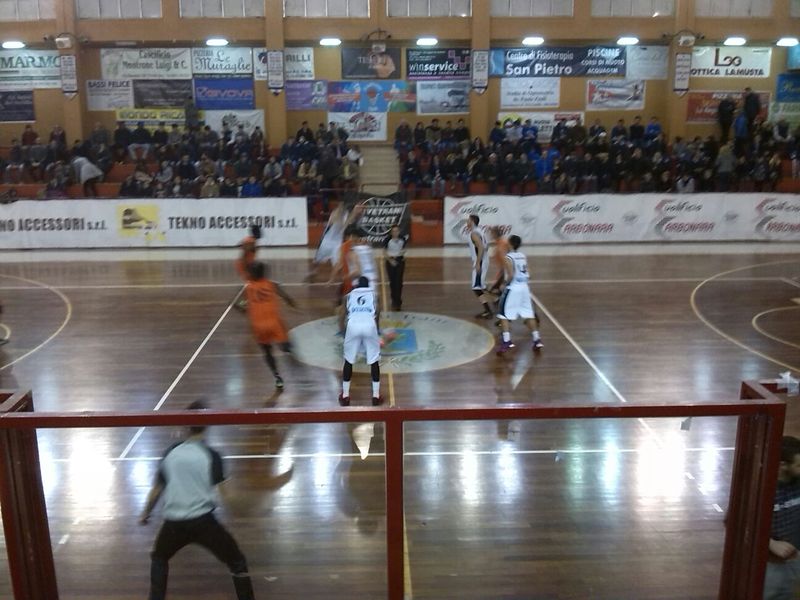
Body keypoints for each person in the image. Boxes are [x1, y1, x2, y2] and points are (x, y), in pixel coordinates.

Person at [138, 399, 256, 600]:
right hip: (204, 524)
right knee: (237, 561)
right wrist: (246, 507)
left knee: (159, 558)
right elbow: (229, 498)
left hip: (173, 524)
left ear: (186, 425)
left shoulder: (170, 453)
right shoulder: (212, 456)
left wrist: (145, 514)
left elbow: (155, 492)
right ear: (207, 425)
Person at [245, 262, 296, 390]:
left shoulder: (248, 287)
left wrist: (247, 309)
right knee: (286, 346)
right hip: (274, 324)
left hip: (258, 326)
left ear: (252, 274)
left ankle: (277, 377)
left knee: (267, 352)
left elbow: (240, 305)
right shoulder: (272, 285)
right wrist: (292, 304)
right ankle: (289, 352)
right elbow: (288, 298)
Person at [763, 435, 800, 600]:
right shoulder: (761, 488)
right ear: (783, 465)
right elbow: (736, 524)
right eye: (798, 465)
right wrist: (771, 543)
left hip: (795, 559)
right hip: (770, 565)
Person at [495, 235, 543, 354]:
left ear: (510, 244)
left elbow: (511, 274)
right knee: (528, 314)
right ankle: (537, 339)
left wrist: (506, 284)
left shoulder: (508, 257)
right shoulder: (522, 256)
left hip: (513, 288)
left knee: (503, 315)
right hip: (525, 288)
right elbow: (529, 272)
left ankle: (506, 341)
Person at [339, 276, 382, 407]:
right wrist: (376, 330)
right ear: (368, 286)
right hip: (369, 325)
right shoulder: (375, 295)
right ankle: (376, 395)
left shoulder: (348, 296)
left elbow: (342, 314)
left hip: (353, 325)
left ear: (357, 286)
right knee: (374, 360)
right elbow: (378, 313)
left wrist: (342, 330)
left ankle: (345, 395)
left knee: (348, 360)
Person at [466, 215, 492, 319]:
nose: (467, 222)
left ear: (472, 221)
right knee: (481, 286)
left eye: (468, 220)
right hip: (483, 260)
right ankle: (496, 299)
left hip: (480, 261)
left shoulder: (474, 233)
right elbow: (486, 246)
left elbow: (481, 247)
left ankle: (488, 310)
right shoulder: (480, 231)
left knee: (476, 287)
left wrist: (478, 262)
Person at [384, 224, 408, 311]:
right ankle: (394, 299)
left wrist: (402, 255)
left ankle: (398, 300)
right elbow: (384, 252)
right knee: (392, 281)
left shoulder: (403, 239)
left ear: (399, 231)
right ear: (391, 232)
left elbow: (404, 249)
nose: (395, 233)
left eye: (397, 231)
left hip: (400, 260)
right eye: (393, 231)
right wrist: (390, 260)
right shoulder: (387, 240)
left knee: (399, 281)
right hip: (390, 261)